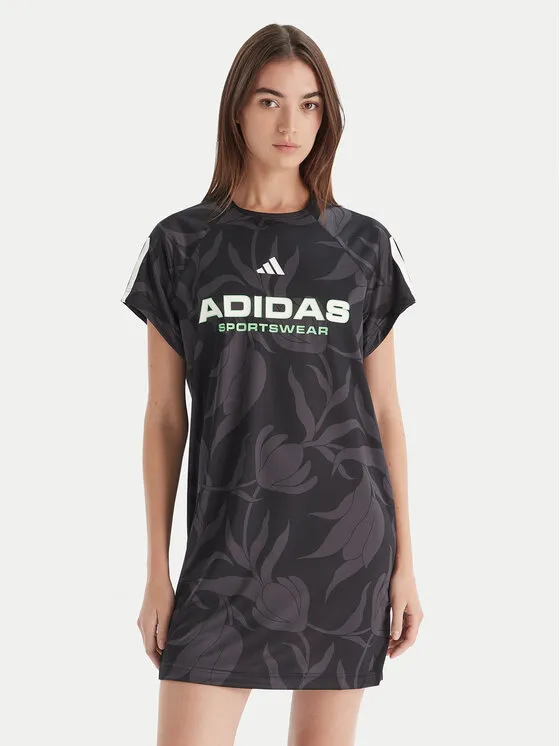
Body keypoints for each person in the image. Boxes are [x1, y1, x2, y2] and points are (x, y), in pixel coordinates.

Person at [121, 22, 423, 746]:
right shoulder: (182, 244)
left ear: (327, 118)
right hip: (224, 551)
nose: (291, 124)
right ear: (236, 111)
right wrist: (157, 571)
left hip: (344, 548)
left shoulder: (361, 246)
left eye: (309, 105)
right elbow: (165, 416)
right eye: (270, 101)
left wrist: (406, 566)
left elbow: (384, 411)